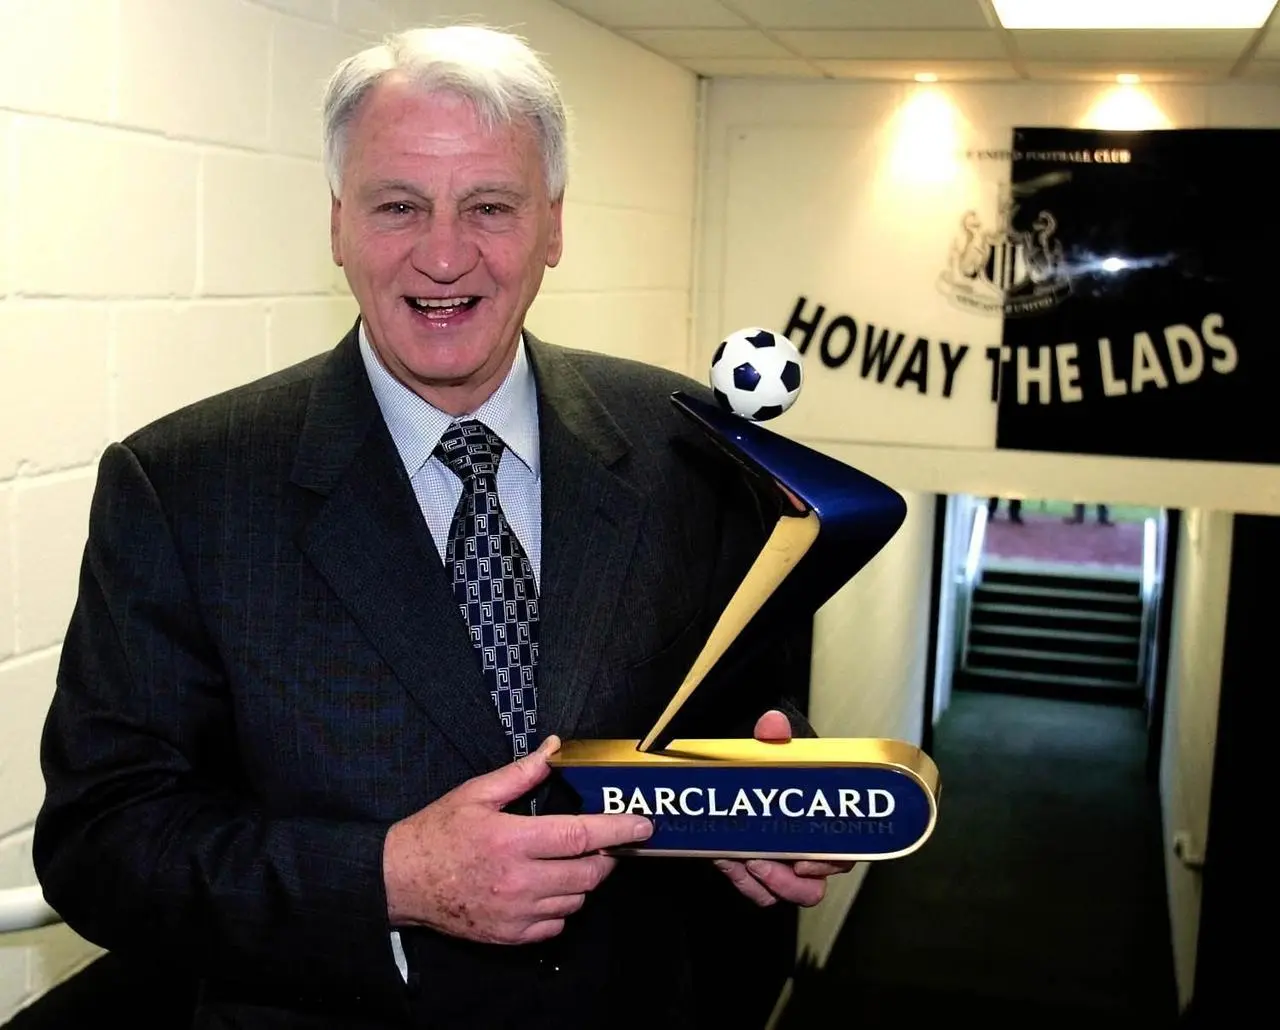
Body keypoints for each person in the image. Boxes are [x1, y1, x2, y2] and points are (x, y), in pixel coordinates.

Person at [33, 25, 849, 1030]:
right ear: (338, 224)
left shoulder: (686, 446)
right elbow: (101, 843)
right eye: (398, 206)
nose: (445, 254)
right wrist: (389, 875)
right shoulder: (184, 488)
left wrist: (767, 790)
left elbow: (744, 700)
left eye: (491, 207)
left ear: (552, 225)